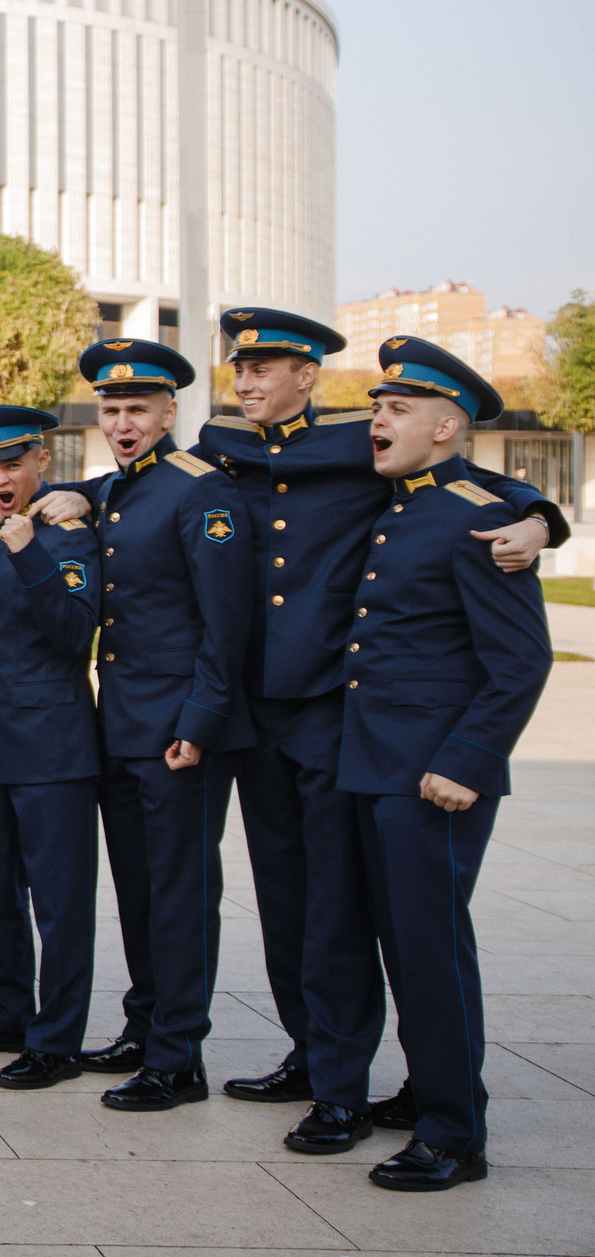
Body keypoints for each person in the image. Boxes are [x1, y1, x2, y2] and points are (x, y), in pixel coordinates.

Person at [171, 307, 559, 1113]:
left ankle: (358, 1081)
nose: (246, 383)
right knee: (284, 899)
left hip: (331, 714)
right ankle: (312, 1055)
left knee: (339, 905)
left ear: (308, 376)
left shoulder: (366, 446)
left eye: (265, 370)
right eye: (239, 370)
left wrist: (540, 517)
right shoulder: (223, 447)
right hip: (259, 711)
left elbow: (482, 483)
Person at [323, 339, 551, 1190]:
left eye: (399, 409)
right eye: (377, 406)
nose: (377, 421)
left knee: (429, 948)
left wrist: (471, 757)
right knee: (387, 938)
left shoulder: (474, 516)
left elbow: (522, 660)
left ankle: (456, 1135)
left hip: (432, 775)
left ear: (449, 427)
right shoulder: (400, 506)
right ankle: (427, 1090)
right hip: (373, 761)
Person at [71, 339, 254, 1110]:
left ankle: (179, 1055)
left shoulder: (200, 489)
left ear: (169, 411)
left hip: (179, 730)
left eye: (136, 410)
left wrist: (203, 719)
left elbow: (227, 620)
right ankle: (145, 1024)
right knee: (141, 889)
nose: (121, 422)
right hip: (123, 721)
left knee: (180, 891)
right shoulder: (114, 490)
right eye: (110, 411)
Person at [0, 405, 104, 1087]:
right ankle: (8, 1011)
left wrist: (28, 545)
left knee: (60, 904)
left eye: (13, 464)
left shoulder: (65, 533)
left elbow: (74, 631)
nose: (1, 478)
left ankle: (56, 1037)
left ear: (41, 462)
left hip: (54, 748)